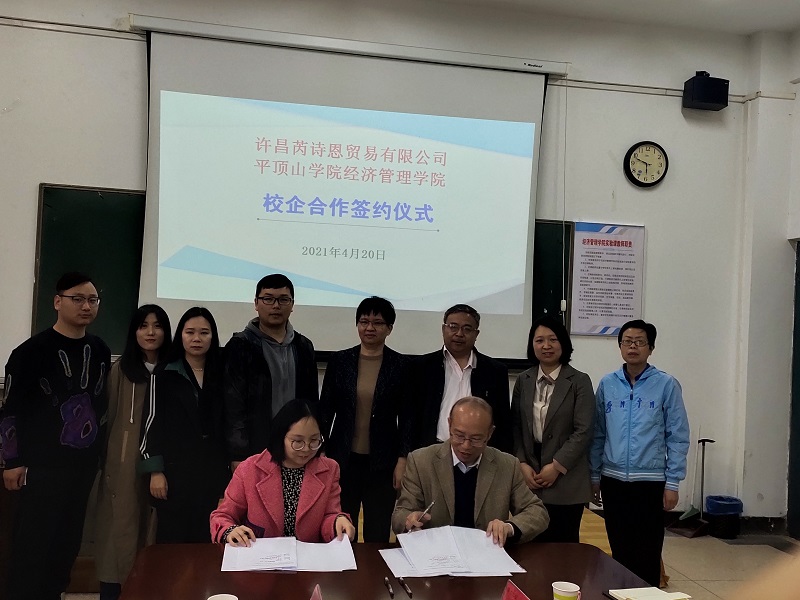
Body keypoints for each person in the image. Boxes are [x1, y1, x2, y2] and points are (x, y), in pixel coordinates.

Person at [0, 272, 111, 600]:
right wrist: (12, 461)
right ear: (57, 301)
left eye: (92, 300)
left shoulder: (101, 349)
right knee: (33, 546)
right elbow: (10, 410)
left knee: (66, 546)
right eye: (78, 299)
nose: (86, 306)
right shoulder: (30, 351)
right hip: (42, 467)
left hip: (84, 466)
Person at [590, 319, 689, 587]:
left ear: (651, 348)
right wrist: (594, 476)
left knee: (647, 551)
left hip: (651, 482)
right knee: (620, 549)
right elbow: (598, 433)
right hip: (613, 481)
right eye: (627, 342)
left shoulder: (666, 385)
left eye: (639, 342)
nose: (632, 347)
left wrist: (672, 482)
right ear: (620, 346)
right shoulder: (607, 384)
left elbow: (678, 436)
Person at [392, 397, 549, 545]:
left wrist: (509, 527)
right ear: (449, 425)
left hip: (485, 553)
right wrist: (409, 520)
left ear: (490, 433)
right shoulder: (420, 461)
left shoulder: (507, 465)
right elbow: (400, 514)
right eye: (459, 436)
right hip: (437, 552)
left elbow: (537, 512)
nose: (466, 446)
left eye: (476, 439)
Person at [318, 296, 412, 542]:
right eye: (364, 321)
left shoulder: (402, 365)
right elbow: (325, 411)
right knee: (341, 527)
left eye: (378, 323)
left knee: (378, 530)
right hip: (342, 458)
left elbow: (407, 417)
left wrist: (403, 459)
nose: (370, 328)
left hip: (383, 461)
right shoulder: (340, 362)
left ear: (389, 328)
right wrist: (321, 451)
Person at [95, 305, 172, 600]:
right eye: (143, 326)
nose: (150, 332)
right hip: (123, 463)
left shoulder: (173, 369)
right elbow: (110, 419)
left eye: (157, 326)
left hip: (165, 462)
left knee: (155, 530)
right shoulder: (121, 370)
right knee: (120, 532)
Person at [139, 307, 229, 543]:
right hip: (174, 473)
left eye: (204, 333)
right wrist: (155, 471)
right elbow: (151, 424)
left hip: (213, 473)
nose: (197, 338)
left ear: (213, 336)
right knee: (173, 543)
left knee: (209, 541)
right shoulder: (164, 373)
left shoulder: (223, 373)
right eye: (190, 332)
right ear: (180, 335)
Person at [210, 399, 355, 545]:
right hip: (261, 553)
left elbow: (330, 514)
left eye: (314, 440)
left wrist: (337, 521)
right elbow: (223, 516)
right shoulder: (249, 469)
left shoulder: (329, 469)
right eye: (297, 441)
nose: (306, 448)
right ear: (280, 437)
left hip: (308, 554)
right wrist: (229, 530)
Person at [511, 315, 595, 543]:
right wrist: (522, 463)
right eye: (539, 340)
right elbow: (516, 427)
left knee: (564, 546)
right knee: (529, 545)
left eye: (552, 339)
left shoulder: (579, 381)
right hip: (530, 475)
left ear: (563, 343)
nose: (546, 346)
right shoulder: (523, 380)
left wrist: (557, 466)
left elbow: (584, 430)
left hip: (567, 478)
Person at [224, 274, 318, 470]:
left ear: (292, 304)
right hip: (254, 448)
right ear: (256, 303)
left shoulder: (303, 346)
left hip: (298, 448)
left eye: (283, 299)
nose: (276, 306)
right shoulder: (240, 346)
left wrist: (314, 445)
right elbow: (234, 406)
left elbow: (311, 402)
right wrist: (238, 453)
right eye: (268, 299)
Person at [411, 304, 512, 453]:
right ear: (443, 329)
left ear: (476, 334)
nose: (459, 334)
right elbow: (410, 418)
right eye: (453, 327)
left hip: (479, 453)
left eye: (467, 329)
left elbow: (503, 422)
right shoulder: (421, 367)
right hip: (430, 451)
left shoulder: (495, 371)